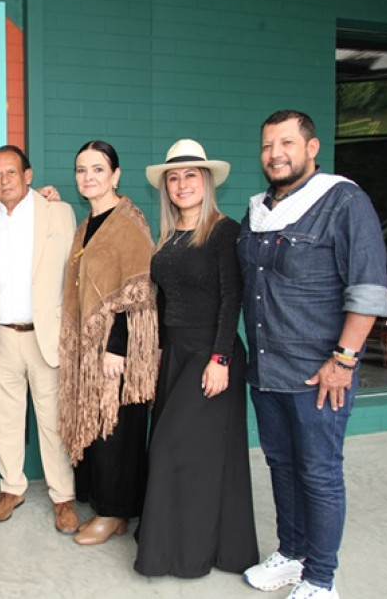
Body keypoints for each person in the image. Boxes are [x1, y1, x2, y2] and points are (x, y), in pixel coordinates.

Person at [238, 110, 387, 599]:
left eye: (286, 142)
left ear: (312, 147)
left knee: (319, 473)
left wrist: (343, 360)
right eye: (266, 145)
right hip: (267, 369)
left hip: (319, 372)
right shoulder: (257, 209)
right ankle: (291, 554)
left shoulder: (343, 201)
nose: (275, 153)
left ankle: (321, 578)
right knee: (281, 465)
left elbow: (366, 289)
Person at [134, 139, 258, 577]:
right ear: (165, 187)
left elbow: (232, 297)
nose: (181, 184)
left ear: (205, 181)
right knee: (194, 454)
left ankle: (181, 554)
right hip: (176, 353)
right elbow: (163, 300)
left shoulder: (224, 230)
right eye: (174, 177)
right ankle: (205, 545)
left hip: (212, 351)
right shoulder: (168, 237)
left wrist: (220, 358)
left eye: (190, 175)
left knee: (172, 446)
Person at [0, 144, 80, 534]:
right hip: (0, 337)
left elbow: (75, 269)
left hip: (45, 337)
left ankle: (63, 497)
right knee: (4, 420)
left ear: (28, 176)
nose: (4, 181)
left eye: (11, 173)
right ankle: (11, 489)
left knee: (53, 422)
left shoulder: (59, 213)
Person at [57, 140, 158, 546]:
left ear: (116, 175)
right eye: (82, 170)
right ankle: (107, 506)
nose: (89, 177)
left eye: (98, 169)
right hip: (89, 349)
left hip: (115, 350)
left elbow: (138, 290)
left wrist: (117, 347)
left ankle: (113, 512)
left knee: (115, 429)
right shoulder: (87, 224)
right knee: (99, 430)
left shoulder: (127, 221)